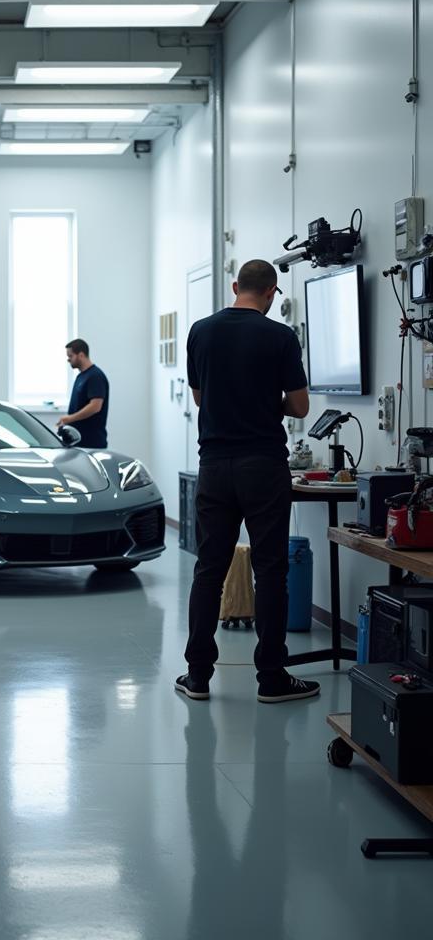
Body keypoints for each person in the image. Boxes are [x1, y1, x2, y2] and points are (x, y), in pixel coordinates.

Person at [176, 259, 320, 704]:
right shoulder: (280, 336)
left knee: (209, 571)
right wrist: (263, 400)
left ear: (236, 286)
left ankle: (197, 676)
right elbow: (299, 407)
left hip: (215, 467)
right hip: (263, 467)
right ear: (273, 293)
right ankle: (272, 678)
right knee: (271, 572)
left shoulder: (200, 330)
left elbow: (201, 398)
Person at [57, 338, 109, 449]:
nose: (68, 360)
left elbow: (95, 406)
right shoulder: (81, 377)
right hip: (78, 442)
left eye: (70, 356)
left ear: (81, 355)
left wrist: (70, 418)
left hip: (91, 443)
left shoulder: (95, 376)